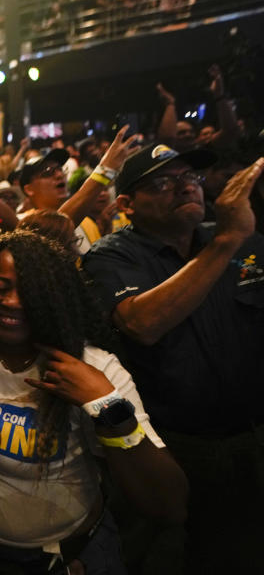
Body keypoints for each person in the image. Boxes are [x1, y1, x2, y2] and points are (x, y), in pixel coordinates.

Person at [0, 230, 187, 574]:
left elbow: (169, 504)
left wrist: (105, 405)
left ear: (55, 297)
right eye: (0, 287)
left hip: (67, 558)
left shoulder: (93, 367)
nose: (13, 302)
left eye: (31, 291)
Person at [82, 146, 264, 572]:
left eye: (191, 177)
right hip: (178, 447)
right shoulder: (112, 256)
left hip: (254, 437)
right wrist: (226, 242)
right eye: (162, 183)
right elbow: (143, 322)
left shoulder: (245, 240)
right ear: (125, 204)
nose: (184, 186)